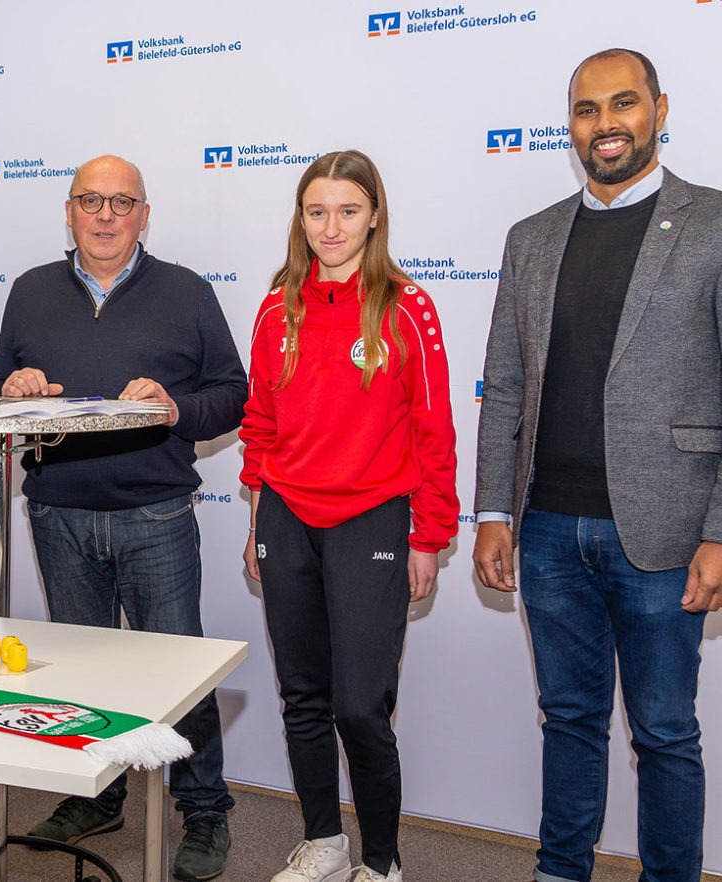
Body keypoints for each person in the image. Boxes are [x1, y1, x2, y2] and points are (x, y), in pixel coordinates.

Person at [473, 48, 722, 882]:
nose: (605, 125)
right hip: (545, 531)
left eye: (623, 105)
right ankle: (560, 870)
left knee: (662, 730)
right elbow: (504, 384)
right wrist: (493, 513)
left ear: (659, 108)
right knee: (569, 718)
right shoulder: (532, 237)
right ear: (571, 125)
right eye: (587, 110)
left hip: (667, 533)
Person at [0, 154, 246, 882]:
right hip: (58, 513)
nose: (105, 216)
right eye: (90, 201)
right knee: (85, 671)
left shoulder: (187, 291)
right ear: (69, 211)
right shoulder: (30, 290)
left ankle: (203, 810)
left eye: (121, 202)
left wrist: (176, 408)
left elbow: (232, 392)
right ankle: (96, 795)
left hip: (154, 512)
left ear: (144, 214)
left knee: (179, 672)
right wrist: (12, 385)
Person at [240, 151, 457, 882]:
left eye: (347, 211)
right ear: (300, 219)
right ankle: (324, 844)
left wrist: (430, 535)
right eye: (316, 211)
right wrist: (256, 520)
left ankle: (382, 864)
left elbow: (434, 430)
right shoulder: (278, 307)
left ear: (374, 217)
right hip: (287, 519)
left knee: (360, 706)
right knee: (302, 694)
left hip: (372, 520)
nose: (331, 227)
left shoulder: (407, 306)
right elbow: (260, 424)